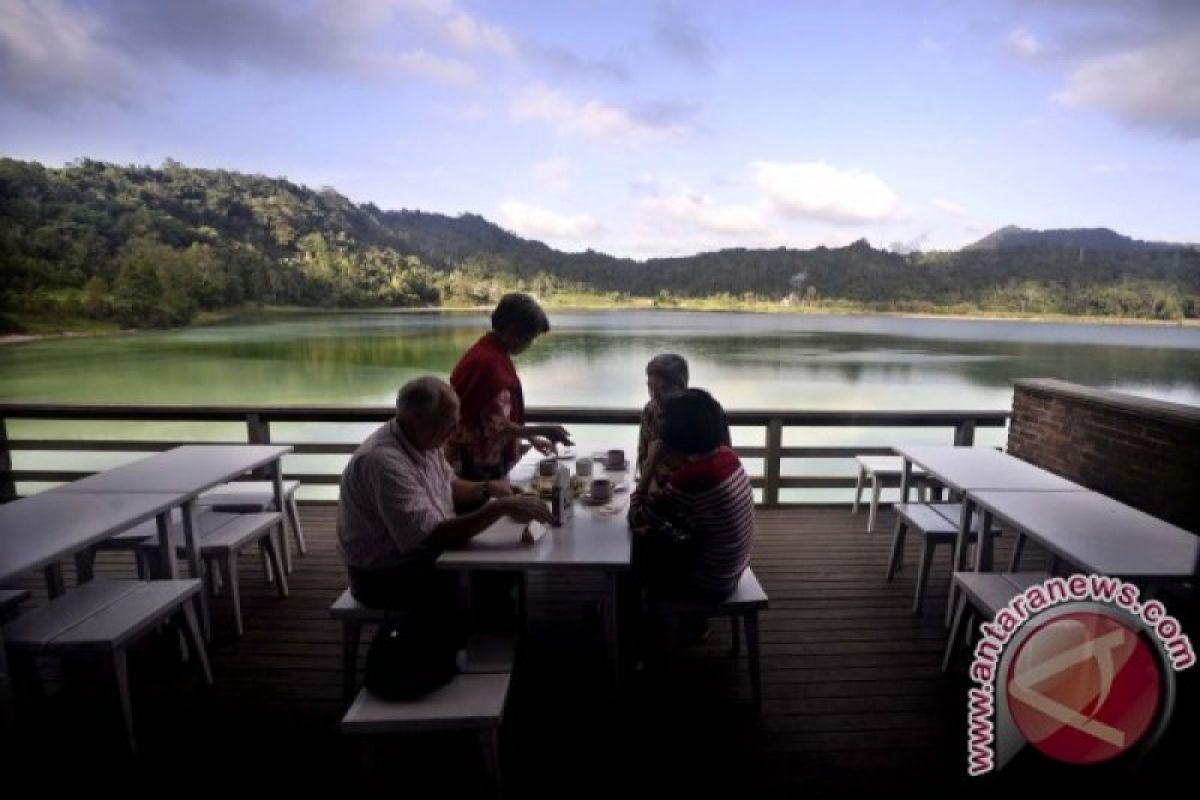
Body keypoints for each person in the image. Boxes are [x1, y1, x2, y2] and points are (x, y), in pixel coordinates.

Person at [336, 376, 552, 618]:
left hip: (415, 555)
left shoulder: (421, 438)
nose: (454, 432)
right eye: (449, 424)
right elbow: (432, 537)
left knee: (503, 566)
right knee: (491, 572)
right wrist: (499, 507)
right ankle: (464, 644)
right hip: (384, 576)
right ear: (417, 417)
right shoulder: (383, 463)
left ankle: (497, 637)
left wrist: (488, 488)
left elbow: (448, 485)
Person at [629, 388, 755, 603]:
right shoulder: (727, 456)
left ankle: (630, 615)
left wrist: (649, 466)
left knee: (637, 549)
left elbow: (636, 516)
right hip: (734, 569)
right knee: (657, 536)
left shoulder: (692, 478)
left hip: (709, 583)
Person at [446, 293, 573, 484]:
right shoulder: (487, 363)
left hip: (484, 456)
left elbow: (499, 417)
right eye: (529, 337)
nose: (529, 344)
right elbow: (495, 427)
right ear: (512, 330)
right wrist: (545, 430)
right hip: (476, 463)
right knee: (487, 511)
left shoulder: (490, 354)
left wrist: (532, 440)